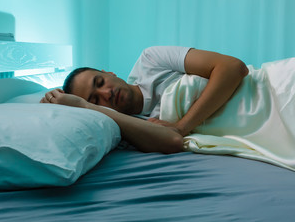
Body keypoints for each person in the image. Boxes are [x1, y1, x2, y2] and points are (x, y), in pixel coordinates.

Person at [40, 46, 249, 154]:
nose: (106, 93)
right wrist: (83, 106)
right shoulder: (131, 130)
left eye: (100, 81)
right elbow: (173, 142)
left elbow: (233, 67)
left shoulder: (151, 61)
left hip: (268, 91)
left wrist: (182, 126)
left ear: (109, 72)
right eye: (95, 99)